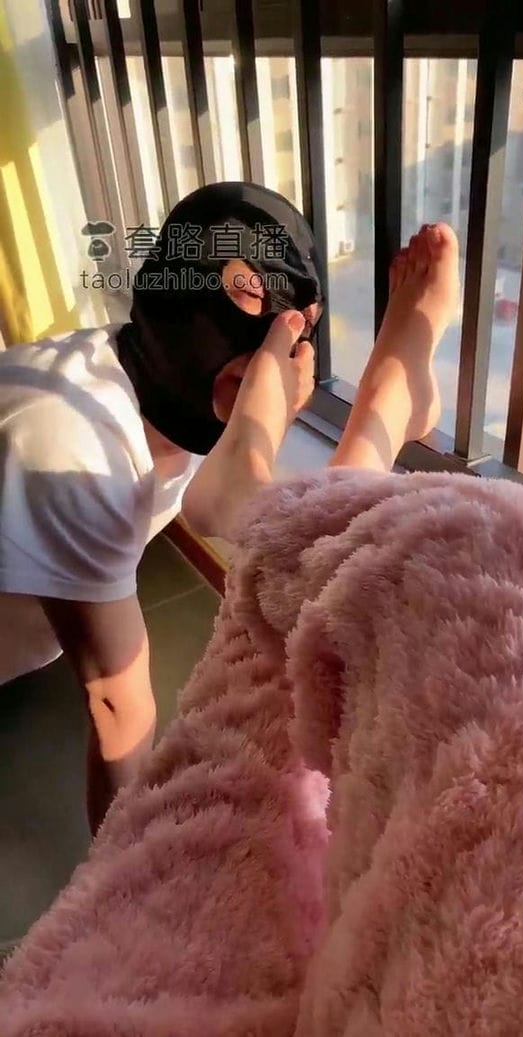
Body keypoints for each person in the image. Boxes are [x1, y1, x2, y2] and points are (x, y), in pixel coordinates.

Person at [0, 177, 459, 833]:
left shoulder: (126, 370)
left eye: (300, 321)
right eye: (248, 292)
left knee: (284, 576)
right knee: (294, 628)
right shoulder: (76, 450)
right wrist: (123, 866)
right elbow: (117, 704)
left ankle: (382, 409)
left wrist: (258, 421)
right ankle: (386, 407)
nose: (282, 338)